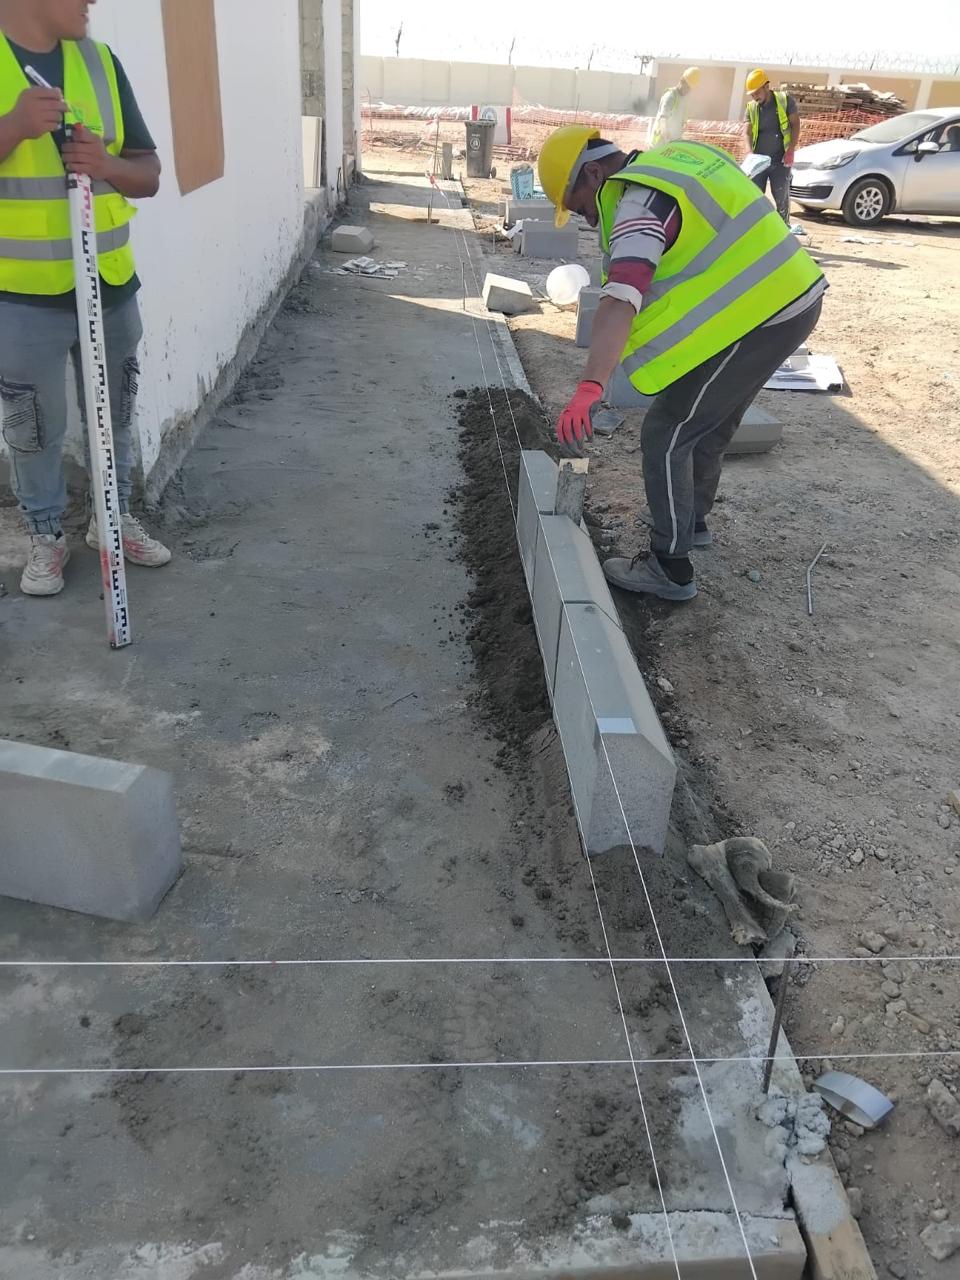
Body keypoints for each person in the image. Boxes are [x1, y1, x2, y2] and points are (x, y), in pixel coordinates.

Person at [537, 127, 826, 601]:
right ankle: (691, 522)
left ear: (593, 174)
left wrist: (591, 386)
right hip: (788, 294)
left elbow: (621, 296)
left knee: (667, 432)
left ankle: (669, 568)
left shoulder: (638, 204)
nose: (589, 220)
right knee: (709, 421)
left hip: (761, 313)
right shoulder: (675, 159)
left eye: (582, 206)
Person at [0, 0, 169, 597]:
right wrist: (12, 127)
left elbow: (148, 174)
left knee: (114, 413)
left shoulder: (100, 64)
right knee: (34, 427)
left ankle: (111, 520)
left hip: (110, 283)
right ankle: (46, 535)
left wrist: (106, 164)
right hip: (23, 293)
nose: (92, 1)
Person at [742, 70, 799, 224]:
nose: (755, 97)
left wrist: (791, 150)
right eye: (752, 94)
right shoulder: (751, 108)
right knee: (755, 197)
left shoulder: (785, 101)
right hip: (759, 162)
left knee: (781, 196)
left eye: (757, 92)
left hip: (781, 160)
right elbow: (746, 133)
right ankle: (756, 228)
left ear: (766, 86)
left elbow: (795, 125)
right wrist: (749, 153)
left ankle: (784, 228)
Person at [649, 67, 700, 147]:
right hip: (659, 146)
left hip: (672, 146)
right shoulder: (670, 96)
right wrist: (667, 140)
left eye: (690, 88)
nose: (688, 90)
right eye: (687, 87)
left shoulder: (684, 100)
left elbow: (680, 124)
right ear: (682, 80)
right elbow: (663, 120)